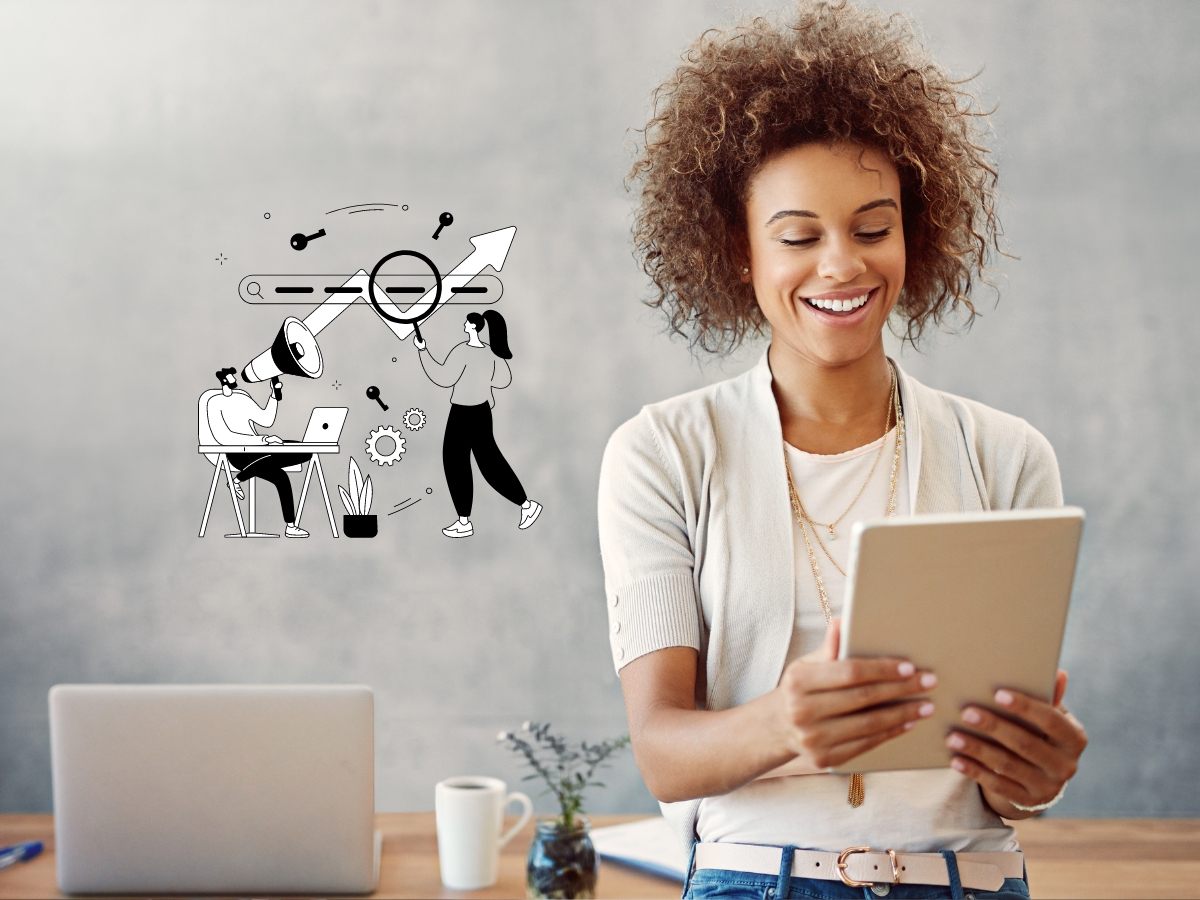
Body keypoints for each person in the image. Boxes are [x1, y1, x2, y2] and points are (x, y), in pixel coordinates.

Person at [598, 4, 1088, 899]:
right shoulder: (663, 453)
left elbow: (1006, 787)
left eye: (872, 229)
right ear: (737, 251)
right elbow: (663, 754)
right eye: (797, 237)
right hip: (756, 878)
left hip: (966, 879)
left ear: (914, 233)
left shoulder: (1008, 456)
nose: (841, 268)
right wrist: (785, 723)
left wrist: (1034, 776)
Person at [414, 310, 542, 538]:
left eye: (467, 323)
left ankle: (465, 520)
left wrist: (423, 351)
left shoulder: (463, 351)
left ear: (474, 327)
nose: (464, 325)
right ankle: (525, 505)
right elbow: (503, 380)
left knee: (456, 462)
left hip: (463, 413)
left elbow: (443, 377)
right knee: (488, 462)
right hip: (482, 412)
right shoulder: (491, 352)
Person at [204, 367, 311, 538]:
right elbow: (224, 437)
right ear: (224, 380)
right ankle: (291, 526)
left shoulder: (242, 398)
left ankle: (238, 479)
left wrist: (274, 396)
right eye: (231, 377)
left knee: (305, 451)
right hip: (237, 454)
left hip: (259, 450)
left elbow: (265, 419)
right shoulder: (214, 403)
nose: (234, 379)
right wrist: (264, 440)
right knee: (281, 476)